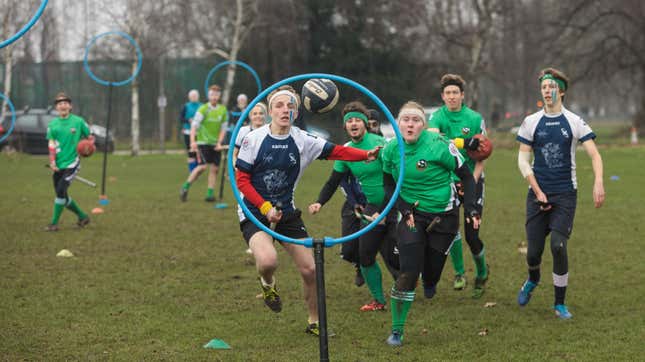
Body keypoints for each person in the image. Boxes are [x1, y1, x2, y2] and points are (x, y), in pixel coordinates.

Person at [235, 85, 381, 336]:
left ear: (297, 111)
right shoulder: (253, 139)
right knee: (268, 261)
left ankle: (314, 322)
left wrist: (365, 154)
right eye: (279, 106)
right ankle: (268, 284)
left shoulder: (303, 139)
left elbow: (336, 151)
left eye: (290, 106)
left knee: (310, 269)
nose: (285, 110)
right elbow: (242, 180)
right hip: (254, 210)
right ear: (270, 110)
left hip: (287, 212)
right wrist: (265, 207)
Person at [381, 101, 480, 346]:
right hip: (411, 215)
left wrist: (472, 209)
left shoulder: (441, 146)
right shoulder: (391, 149)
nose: (410, 124)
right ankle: (397, 330)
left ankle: (431, 281)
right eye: (405, 120)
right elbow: (389, 185)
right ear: (398, 123)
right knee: (408, 273)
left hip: (443, 217)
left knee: (432, 273)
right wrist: (403, 209)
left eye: (415, 120)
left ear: (423, 125)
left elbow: (467, 177)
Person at [516, 68, 604, 319]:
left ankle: (559, 303)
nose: (547, 90)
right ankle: (533, 279)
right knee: (533, 253)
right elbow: (522, 161)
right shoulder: (530, 122)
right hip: (536, 195)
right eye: (543, 87)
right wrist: (537, 189)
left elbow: (595, 154)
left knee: (557, 245)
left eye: (551, 86)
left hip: (565, 194)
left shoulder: (574, 121)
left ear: (561, 91)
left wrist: (598, 181)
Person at [309, 101, 399, 312]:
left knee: (395, 255)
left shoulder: (381, 144)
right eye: (349, 121)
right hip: (370, 207)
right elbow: (333, 181)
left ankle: (409, 284)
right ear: (345, 126)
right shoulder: (346, 151)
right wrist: (319, 202)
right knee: (365, 254)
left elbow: (396, 177)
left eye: (358, 119)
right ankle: (379, 300)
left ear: (366, 124)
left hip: (392, 203)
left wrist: (390, 207)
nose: (354, 123)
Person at [426, 74, 489, 298]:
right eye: (448, 93)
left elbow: (483, 154)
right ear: (442, 97)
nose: (452, 97)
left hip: (472, 179)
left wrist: (471, 179)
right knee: (450, 231)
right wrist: (462, 142)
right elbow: (433, 139)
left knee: (472, 235)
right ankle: (460, 273)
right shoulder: (436, 117)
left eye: (456, 93)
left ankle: (482, 273)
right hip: (447, 181)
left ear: (462, 95)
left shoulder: (474, 118)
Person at [45, 92, 92, 231]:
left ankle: (54, 224)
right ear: (56, 108)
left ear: (70, 106)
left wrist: (88, 148)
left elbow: (90, 137)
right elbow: (51, 144)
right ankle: (83, 216)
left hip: (73, 163)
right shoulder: (52, 125)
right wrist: (52, 162)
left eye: (65, 103)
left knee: (60, 191)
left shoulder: (78, 121)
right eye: (60, 104)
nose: (63, 105)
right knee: (62, 196)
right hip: (58, 164)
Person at [180, 85, 228, 202]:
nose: (214, 97)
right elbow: (194, 126)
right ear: (208, 95)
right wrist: (192, 142)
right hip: (203, 142)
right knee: (202, 167)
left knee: (215, 169)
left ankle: (209, 194)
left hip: (215, 144)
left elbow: (223, 128)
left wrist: (219, 142)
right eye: (212, 94)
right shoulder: (203, 109)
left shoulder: (223, 110)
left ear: (219, 96)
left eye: (216, 94)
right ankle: (185, 186)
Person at [233, 102, 269, 255]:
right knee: (249, 206)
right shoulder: (243, 131)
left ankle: (264, 242)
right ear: (250, 116)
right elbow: (234, 153)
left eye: (261, 113)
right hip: (246, 176)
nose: (258, 116)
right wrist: (236, 168)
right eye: (255, 113)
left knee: (267, 207)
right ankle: (254, 240)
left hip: (266, 177)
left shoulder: (270, 130)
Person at [179, 89, 201, 173]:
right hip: (188, 132)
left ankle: (198, 169)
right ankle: (192, 170)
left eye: (195, 96)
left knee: (198, 151)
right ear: (189, 97)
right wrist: (188, 120)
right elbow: (181, 118)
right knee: (191, 150)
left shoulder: (202, 106)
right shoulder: (186, 106)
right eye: (192, 96)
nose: (194, 97)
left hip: (199, 132)